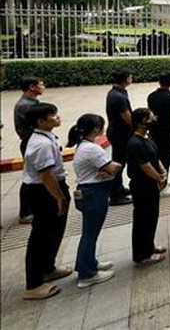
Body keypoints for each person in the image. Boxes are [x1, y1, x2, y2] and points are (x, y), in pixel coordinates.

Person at [22, 103, 72, 300]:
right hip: (44, 191)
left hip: (51, 188)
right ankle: (33, 284)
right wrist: (59, 197)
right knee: (41, 236)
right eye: (52, 115)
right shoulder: (40, 144)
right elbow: (45, 175)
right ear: (40, 121)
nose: (57, 117)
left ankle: (47, 268)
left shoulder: (46, 136)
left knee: (55, 230)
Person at [69, 114, 120, 288]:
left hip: (89, 192)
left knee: (90, 232)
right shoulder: (91, 149)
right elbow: (113, 167)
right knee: (90, 234)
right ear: (97, 129)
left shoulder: (84, 145)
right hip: (93, 193)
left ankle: (88, 263)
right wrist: (116, 166)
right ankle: (87, 274)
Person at [127, 108, 167, 265]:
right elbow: (145, 166)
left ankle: (149, 246)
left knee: (151, 217)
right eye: (150, 118)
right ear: (141, 122)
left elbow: (154, 157)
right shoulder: (135, 143)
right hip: (142, 185)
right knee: (143, 219)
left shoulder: (147, 137)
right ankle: (142, 254)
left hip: (151, 183)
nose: (154, 120)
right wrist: (159, 178)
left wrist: (162, 170)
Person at [14, 75, 44, 224]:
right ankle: (25, 213)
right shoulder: (25, 105)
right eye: (40, 84)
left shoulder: (31, 102)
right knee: (30, 177)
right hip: (30, 142)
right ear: (32, 87)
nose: (43, 86)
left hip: (33, 141)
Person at [146, 72, 170, 197]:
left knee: (156, 157)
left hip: (154, 132)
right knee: (166, 158)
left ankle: (161, 181)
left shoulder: (151, 96)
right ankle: (162, 185)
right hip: (167, 133)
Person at [106, 69, 134, 206]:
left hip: (117, 132)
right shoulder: (118, 97)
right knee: (119, 164)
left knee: (120, 162)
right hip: (120, 134)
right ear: (126, 79)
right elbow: (127, 118)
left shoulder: (117, 92)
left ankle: (119, 188)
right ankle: (115, 195)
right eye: (130, 77)